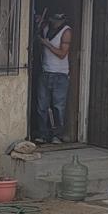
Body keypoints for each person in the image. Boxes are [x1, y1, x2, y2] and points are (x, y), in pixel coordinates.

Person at [35, 9, 73, 144]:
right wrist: (38, 20)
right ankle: (43, 134)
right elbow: (40, 23)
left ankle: (57, 135)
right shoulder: (46, 28)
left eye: (59, 21)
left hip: (60, 74)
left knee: (58, 107)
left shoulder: (66, 31)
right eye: (54, 20)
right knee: (42, 106)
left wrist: (47, 44)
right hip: (45, 72)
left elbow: (62, 54)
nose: (56, 23)